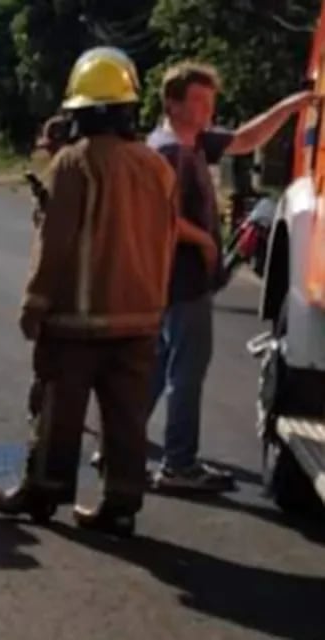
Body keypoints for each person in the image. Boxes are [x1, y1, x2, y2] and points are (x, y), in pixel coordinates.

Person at [0, 47, 179, 536]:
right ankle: (121, 504)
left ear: (80, 112)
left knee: (56, 411)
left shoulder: (74, 164)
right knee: (126, 419)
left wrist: (34, 302)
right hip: (140, 319)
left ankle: (41, 492)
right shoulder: (157, 167)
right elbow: (167, 239)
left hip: (76, 321)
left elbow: (56, 242)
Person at [132, 62, 318, 492]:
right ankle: (179, 465)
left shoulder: (192, 140)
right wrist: (205, 241)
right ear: (173, 104)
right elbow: (164, 217)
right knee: (187, 372)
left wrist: (290, 107)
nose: (207, 109)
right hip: (180, 277)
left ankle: (122, 441)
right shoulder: (167, 152)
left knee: (161, 365)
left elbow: (246, 138)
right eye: (199, 101)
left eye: (210, 101)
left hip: (176, 280)